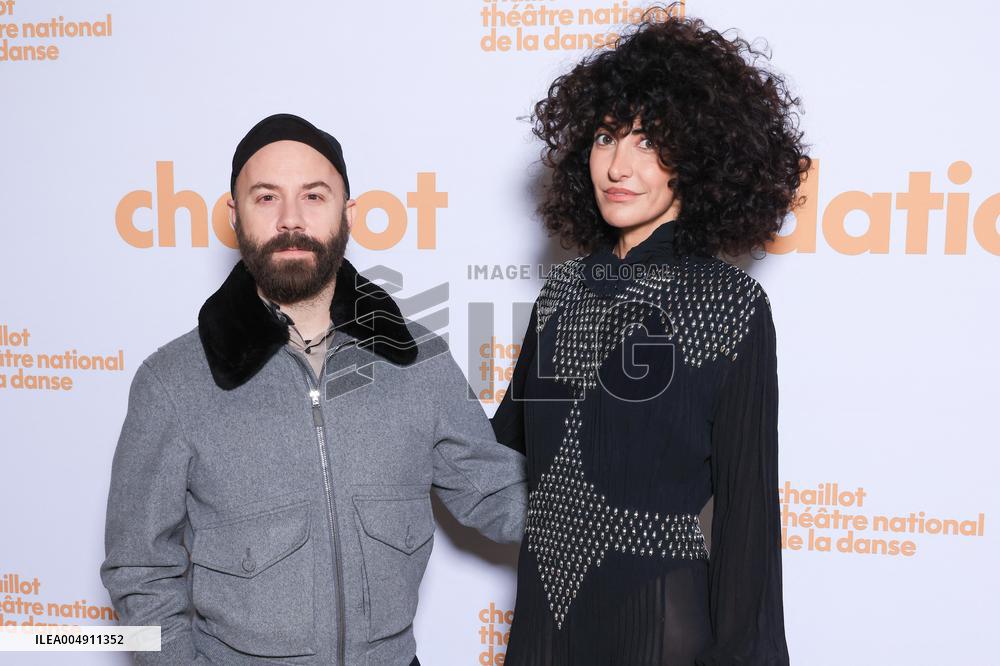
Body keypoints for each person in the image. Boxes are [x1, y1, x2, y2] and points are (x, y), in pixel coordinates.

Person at [101, 113, 527, 665]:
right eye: (266, 198)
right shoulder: (173, 382)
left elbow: (495, 493)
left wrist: (627, 504)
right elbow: (139, 571)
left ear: (347, 212)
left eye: (314, 196)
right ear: (234, 215)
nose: (291, 220)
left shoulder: (418, 359)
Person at [491, 10, 810, 665]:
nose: (618, 164)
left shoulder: (731, 305)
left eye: (650, 140)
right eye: (608, 136)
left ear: (697, 158)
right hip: (544, 622)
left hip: (657, 625)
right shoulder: (563, 291)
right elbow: (501, 452)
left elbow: (748, 519)